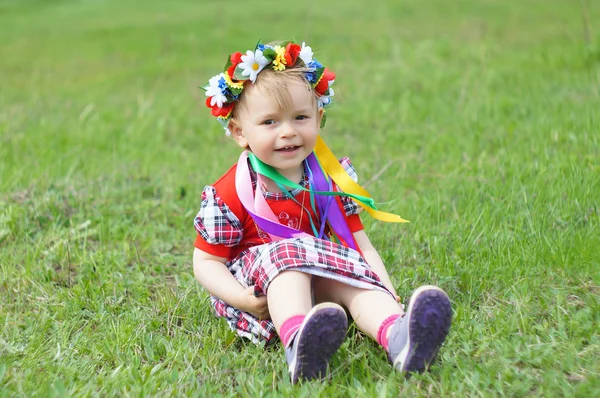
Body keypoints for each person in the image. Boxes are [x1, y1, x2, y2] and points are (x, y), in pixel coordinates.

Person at [192, 40, 452, 384]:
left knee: (355, 282)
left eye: (300, 117)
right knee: (289, 263)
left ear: (319, 117)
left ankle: (399, 336)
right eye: (270, 122)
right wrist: (242, 299)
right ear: (240, 133)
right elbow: (206, 262)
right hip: (261, 296)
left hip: (317, 278)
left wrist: (384, 290)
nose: (288, 131)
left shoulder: (329, 179)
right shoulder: (231, 191)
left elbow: (360, 247)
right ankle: (300, 344)